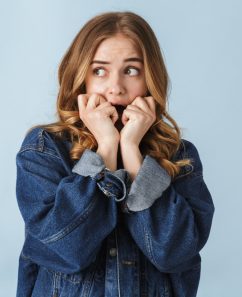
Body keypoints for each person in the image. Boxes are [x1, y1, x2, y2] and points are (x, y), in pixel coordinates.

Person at [15, 11, 215, 297]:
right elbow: (66, 251)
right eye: (99, 70)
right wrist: (106, 149)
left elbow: (174, 254)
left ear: (150, 78)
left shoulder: (180, 156)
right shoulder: (45, 148)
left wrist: (133, 156)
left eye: (131, 70)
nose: (116, 88)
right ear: (81, 77)